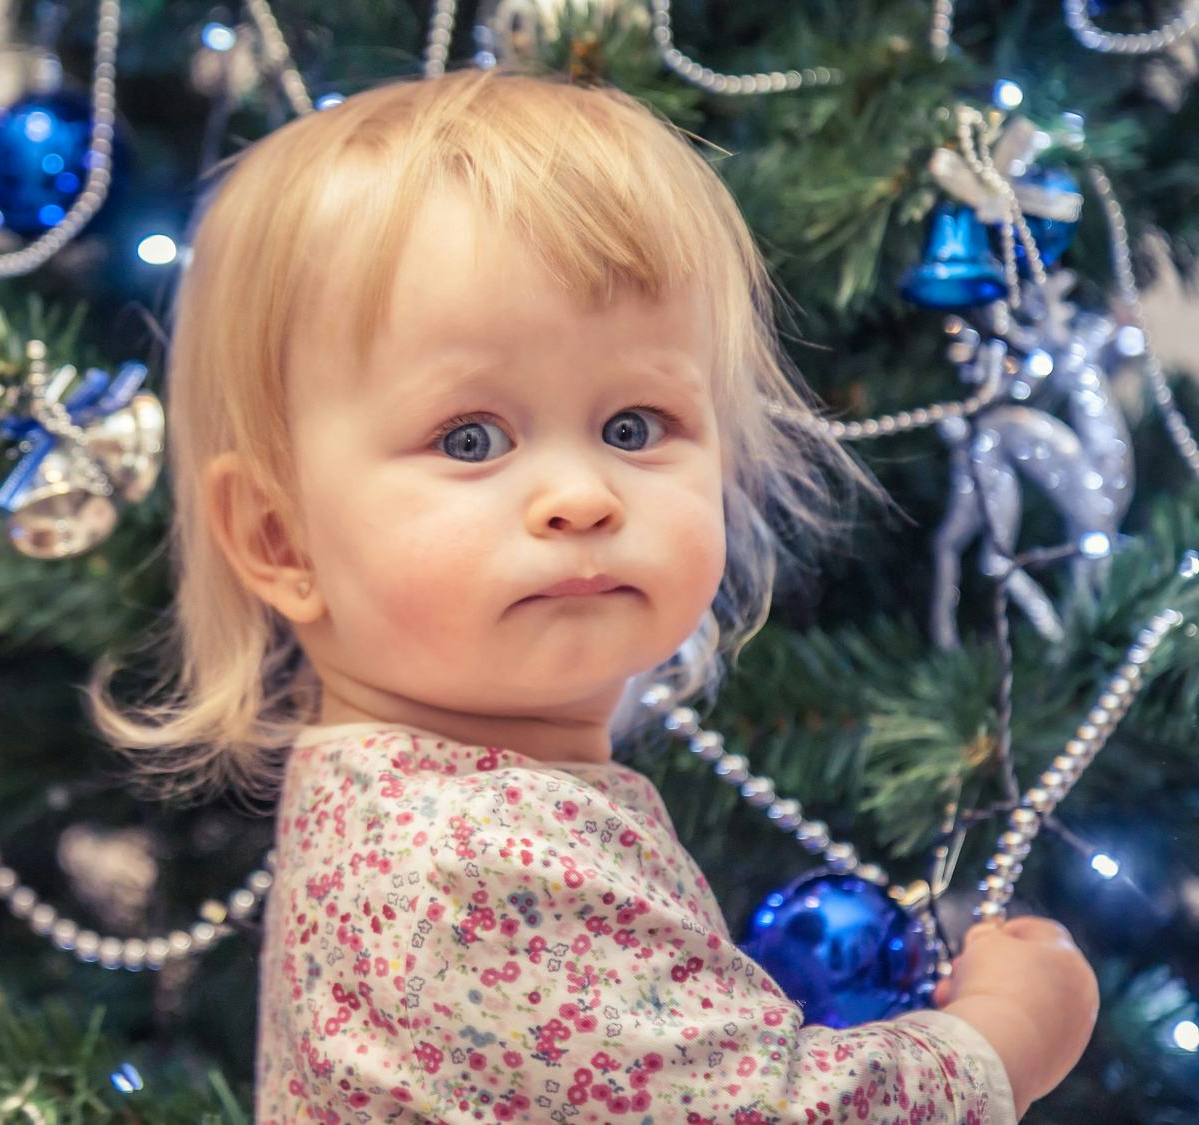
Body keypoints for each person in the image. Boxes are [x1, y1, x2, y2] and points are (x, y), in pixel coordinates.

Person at [85, 66, 1097, 1123]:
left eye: (631, 427)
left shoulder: (416, 792)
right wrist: (993, 1044)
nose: (578, 495)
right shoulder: (475, 864)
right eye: (469, 439)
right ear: (277, 535)